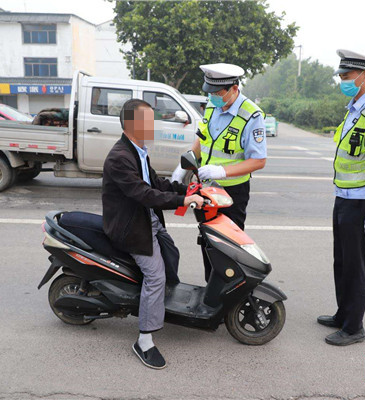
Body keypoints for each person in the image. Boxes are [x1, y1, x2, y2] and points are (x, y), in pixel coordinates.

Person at [101, 98, 204, 368]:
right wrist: (183, 202)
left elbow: (154, 182)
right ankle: (144, 339)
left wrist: (187, 190)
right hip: (130, 226)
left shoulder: (138, 149)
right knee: (156, 276)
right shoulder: (120, 157)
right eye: (148, 121)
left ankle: (158, 305)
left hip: (145, 218)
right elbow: (144, 194)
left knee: (171, 253)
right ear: (132, 124)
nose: (153, 126)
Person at [317, 49, 365, 346]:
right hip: (343, 196)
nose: (342, 81)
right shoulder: (354, 108)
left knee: (354, 264)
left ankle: (354, 327)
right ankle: (343, 314)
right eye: (341, 76)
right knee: (341, 261)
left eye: (347, 77)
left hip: (361, 200)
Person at [171, 63, 267, 279]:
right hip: (206, 190)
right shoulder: (213, 107)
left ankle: (228, 299)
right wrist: (183, 165)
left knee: (229, 247)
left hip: (232, 194)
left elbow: (259, 160)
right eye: (210, 92)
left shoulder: (252, 115)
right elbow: (202, 139)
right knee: (208, 241)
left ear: (234, 88)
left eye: (217, 92)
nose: (213, 96)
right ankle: (211, 291)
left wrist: (221, 171)